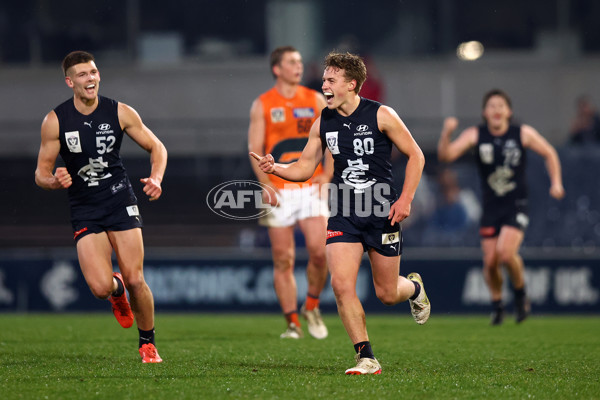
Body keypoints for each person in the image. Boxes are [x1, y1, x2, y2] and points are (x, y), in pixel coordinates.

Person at [251, 51, 430, 375]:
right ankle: (366, 356)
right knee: (342, 285)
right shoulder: (324, 120)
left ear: (352, 84)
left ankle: (414, 289)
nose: (324, 85)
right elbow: (305, 166)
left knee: (388, 294)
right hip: (343, 212)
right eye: (324, 80)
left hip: (380, 213)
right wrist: (275, 167)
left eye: (331, 80)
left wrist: (405, 199)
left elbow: (416, 156)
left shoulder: (382, 115)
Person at [34, 51, 167, 363]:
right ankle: (116, 290)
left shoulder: (120, 112)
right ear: (70, 82)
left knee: (137, 278)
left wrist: (157, 178)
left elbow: (156, 147)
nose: (90, 78)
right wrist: (52, 181)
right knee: (99, 288)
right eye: (82, 75)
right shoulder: (55, 120)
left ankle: (147, 343)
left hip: (120, 200)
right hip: (84, 208)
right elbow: (40, 172)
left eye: (93, 72)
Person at [438, 89, 565, 325]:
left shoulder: (522, 133)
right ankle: (497, 305)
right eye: (491, 106)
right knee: (490, 262)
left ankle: (520, 293)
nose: (496, 110)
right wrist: (447, 132)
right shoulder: (476, 134)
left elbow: (549, 152)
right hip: (491, 206)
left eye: (501, 105)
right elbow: (447, 155)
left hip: (516, 203)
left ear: (509, 111)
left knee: (506, 254)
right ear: (485, 112)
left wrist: (556, 182)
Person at [248, 46, 331, 340]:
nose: (298, 67)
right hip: (279, 189)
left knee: (320, 253)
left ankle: (311, 305)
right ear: (277, 68)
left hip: (310, 186)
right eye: (291, 62)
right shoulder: (263, 104)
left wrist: (327, 176)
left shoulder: (316, 99)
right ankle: (293, 323)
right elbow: (256, 150)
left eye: (299, 62)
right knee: (284, 258)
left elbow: (330, 141)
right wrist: (266, 184)